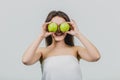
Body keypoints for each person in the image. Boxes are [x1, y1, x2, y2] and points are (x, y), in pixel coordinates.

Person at [22, 10, 101, 80]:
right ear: (48, 27)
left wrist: (78, 34)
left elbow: (95, 57)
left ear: (68, 28)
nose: (59, 30)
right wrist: (41, 36)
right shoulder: (43, 52)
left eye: (62, 25)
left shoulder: (75, 50)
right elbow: (26, 60)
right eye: (55, 26)